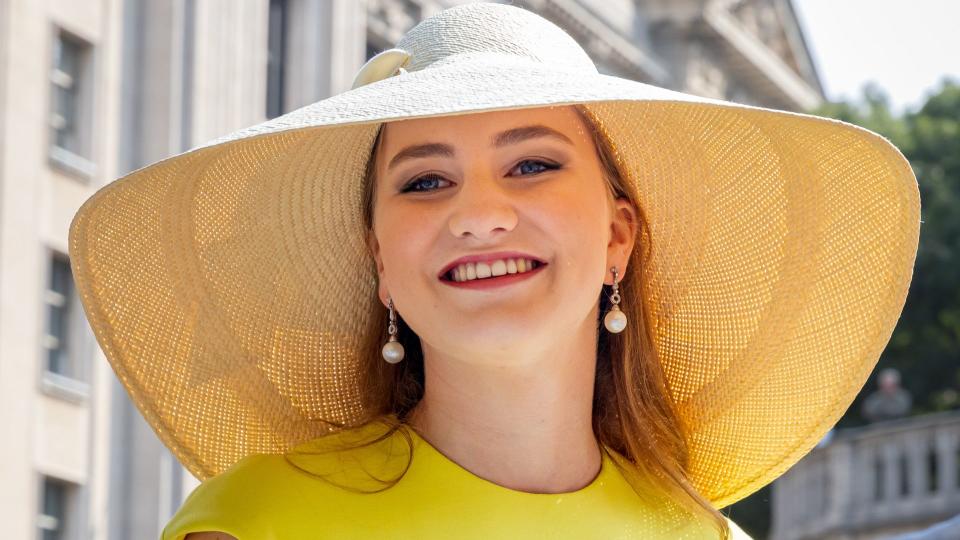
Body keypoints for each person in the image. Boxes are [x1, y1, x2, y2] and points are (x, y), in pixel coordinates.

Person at [66, 3, 921, 539]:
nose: (476, 213)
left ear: (619, 236)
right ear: (381, 262)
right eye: (425, 181)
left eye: (533, 165)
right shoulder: (259, 526)